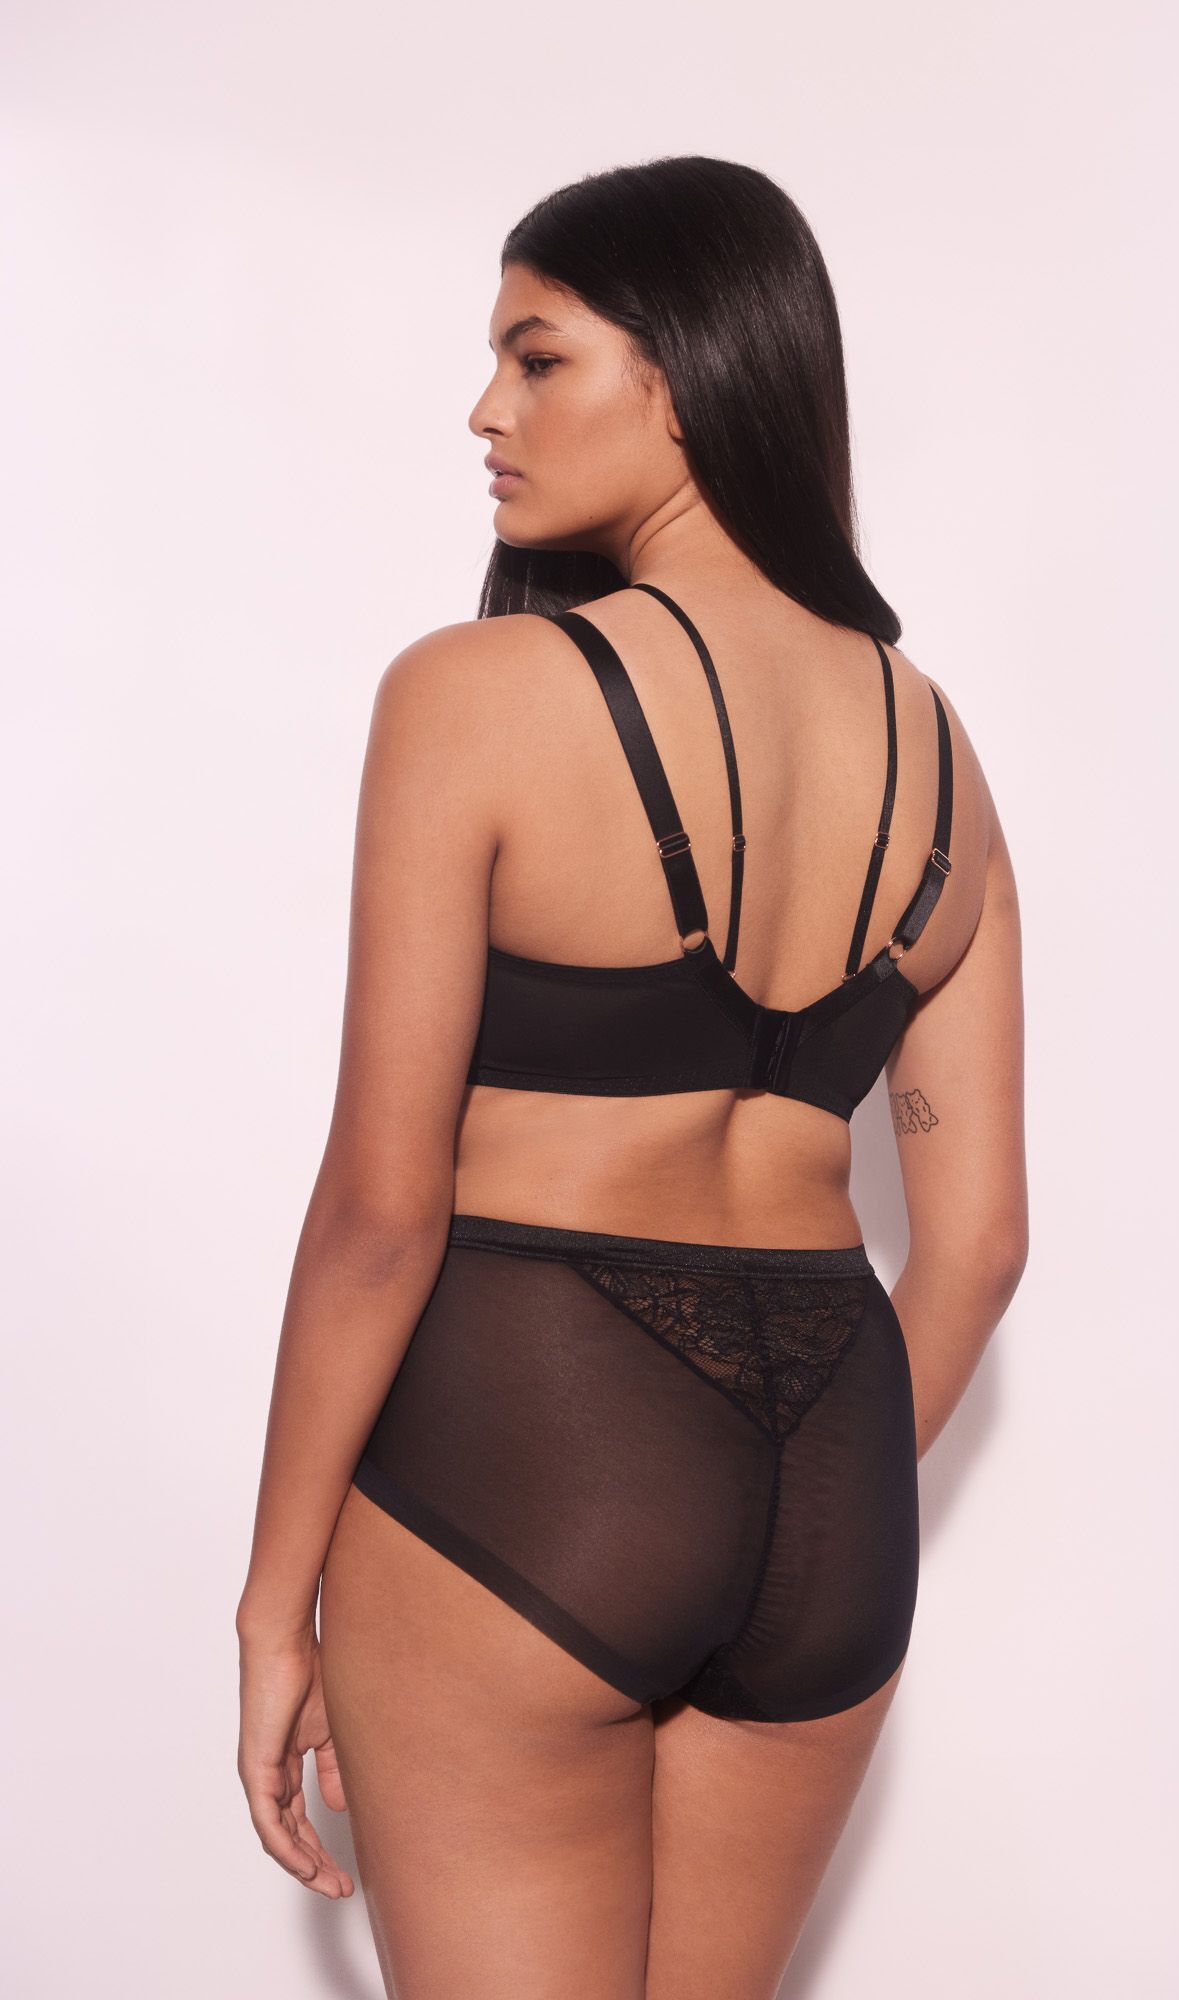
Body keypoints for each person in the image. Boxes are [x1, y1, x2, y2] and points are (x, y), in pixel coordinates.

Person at [235, 154, 1027, 1999]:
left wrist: (279, 1606)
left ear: (684, 376)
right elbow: (978, 1247)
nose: (483, 410)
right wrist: (788, 1491)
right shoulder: (943, 756)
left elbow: (379, 1213)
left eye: (536, 357)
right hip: (828, 1484)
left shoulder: (475, 695)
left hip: (532, 1457)